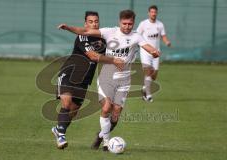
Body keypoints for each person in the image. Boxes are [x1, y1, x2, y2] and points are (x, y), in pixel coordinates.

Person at [58, 9, 160, 151]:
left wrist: (154, 51)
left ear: (133, 23)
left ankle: (101, 135)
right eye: (124, 23)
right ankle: (106, 142)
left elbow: (147, 46)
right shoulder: (109, 32)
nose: (127, 26)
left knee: (116, 114)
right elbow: (85, 32)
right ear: (120, 22)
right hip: (107, 76)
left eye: (130, 24)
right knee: (107, 107)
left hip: (124, 80)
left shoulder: (137, 36)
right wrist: (68, 28)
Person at [52, 11, 124, 150]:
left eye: (96, 21)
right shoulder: (82, 37)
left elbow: (114, 50)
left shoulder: (103, 40)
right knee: (66, 103)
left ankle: (58, 129)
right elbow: (93, 55)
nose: (94, 24)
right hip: (69, 74)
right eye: (90, 21)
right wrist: (114, 60)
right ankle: (61, 136)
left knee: (72, 112)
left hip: (85, 80)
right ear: (86, 24)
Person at [137, 5, 171, 102]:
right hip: (145, 52)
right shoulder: (143, 24)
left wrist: (167, 42)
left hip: (156, 52)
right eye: (152, 12)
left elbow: (163, 36)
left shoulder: (160, 25)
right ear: (149, 13)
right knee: (148, 71)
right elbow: (137, 34)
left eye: (155, 12)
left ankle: (144, 89)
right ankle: (148, 95)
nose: (153, 14)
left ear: (157, 13)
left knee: (154, 74)